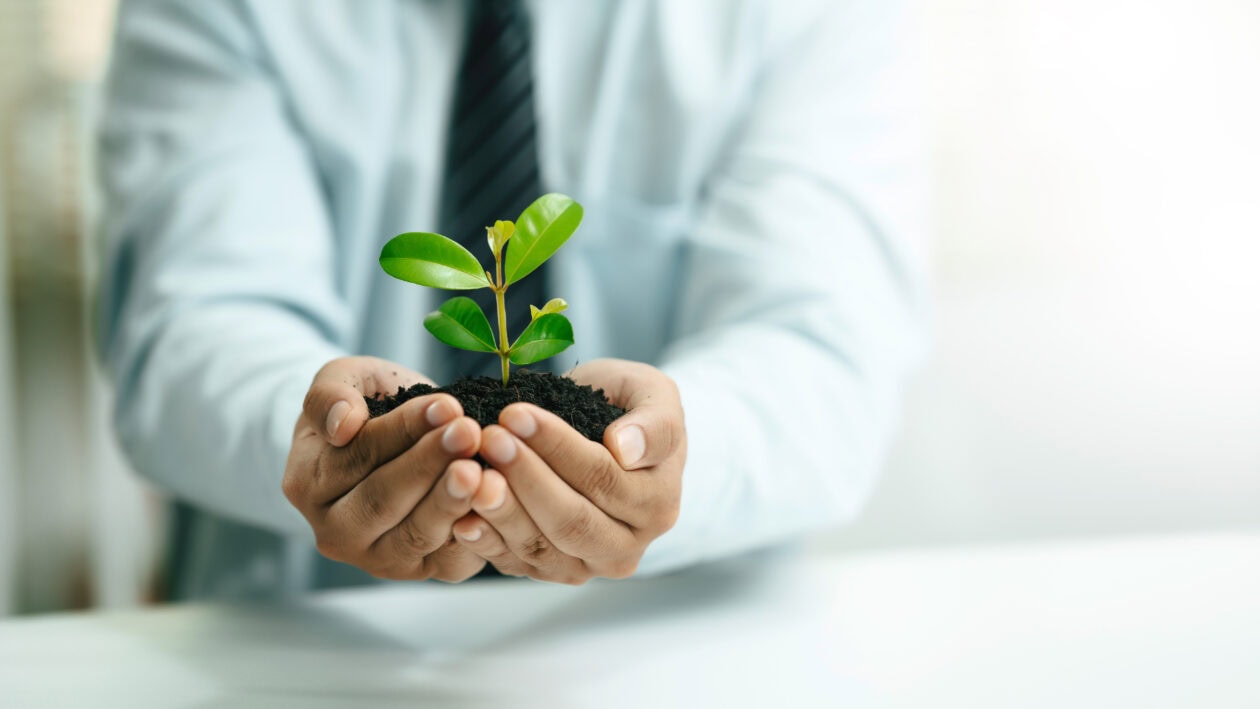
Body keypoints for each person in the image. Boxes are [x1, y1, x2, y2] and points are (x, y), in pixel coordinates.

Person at [98, 0, 926, 600]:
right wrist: (328, 435)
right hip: (313, 640)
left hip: (678, 650)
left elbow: (820, 342)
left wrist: (656, 460)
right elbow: (190, 323)